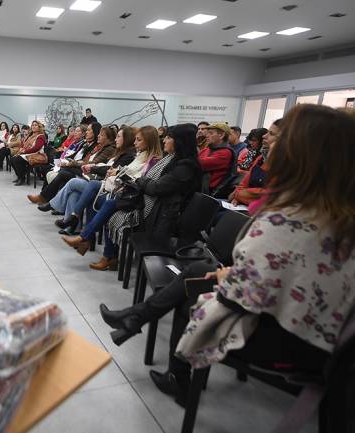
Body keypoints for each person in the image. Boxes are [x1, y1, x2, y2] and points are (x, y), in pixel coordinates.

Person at [100, 104, 355, 407]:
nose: (270, 148)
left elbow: (240, 295)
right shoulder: (337, 214)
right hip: (321, 339)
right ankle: (139, 322)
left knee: (190, 297)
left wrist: (225, 275)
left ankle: (170, 364)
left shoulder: (287, 220)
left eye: (279, 141)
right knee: (197, 270)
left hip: (286, 343)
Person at [63, 124, 200, 272]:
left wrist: (139, 181)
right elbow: (149, 182)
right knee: (102, 201)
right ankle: (99, 249)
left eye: (169, 137)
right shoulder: (170, 159)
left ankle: (90, 241)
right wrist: (138, 180)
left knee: (107, 204)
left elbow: (156, 187)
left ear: (180, 141)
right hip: (149, 202)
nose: (165, 140)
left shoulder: (184, 166)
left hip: (159, 213)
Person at [46, 127, 137, 231]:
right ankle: (72, 228)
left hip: (104, 185)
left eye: (118, 137)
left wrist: (92, 168)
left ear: (127, 139)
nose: (116, 139)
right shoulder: (115, 151)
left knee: (71, 181)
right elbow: (104, 166)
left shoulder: (124, 154)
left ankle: (56, 206)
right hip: (97, 179)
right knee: (74, 191)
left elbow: (110, 169)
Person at [27, 122, 107, 205]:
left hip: (85, 171)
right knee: (54, 170)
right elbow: (73, 154)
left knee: (62, 173)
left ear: (95, 131)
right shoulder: (86, 143)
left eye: (89, 130)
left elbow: (90, 161)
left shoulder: (97, 146)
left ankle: (46, 198)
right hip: (79, 166)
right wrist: (66, 160)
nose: (87, 132)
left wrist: (70, 163)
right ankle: (45, 197)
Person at [228, 120, 280, 206]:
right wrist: (240, 196)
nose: (264, 136)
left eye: (271, 133)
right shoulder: (260, 158)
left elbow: (268, 196)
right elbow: (243, 184)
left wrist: (239, 195)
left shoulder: (286, 165)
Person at [198, 123, 234, 196]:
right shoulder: (208, 149)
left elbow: (199, 163)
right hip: (202, 189)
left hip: (211, 194)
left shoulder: (226, 153)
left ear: (221, 135)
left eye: (210, 133)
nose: (206, 136)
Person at [10, 120, 46, 185]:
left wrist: (24, 152)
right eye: (32, 125)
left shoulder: (41, 136)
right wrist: (21, 151)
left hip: (37, 154)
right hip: (29, 153)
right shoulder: (31, 136)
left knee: (17, 159)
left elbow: (36, 148)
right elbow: (24, 145)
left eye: (35, 125)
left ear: (39, 127)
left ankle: (22, 178)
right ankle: (20, 175)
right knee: (12, 159)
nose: (33, 126)